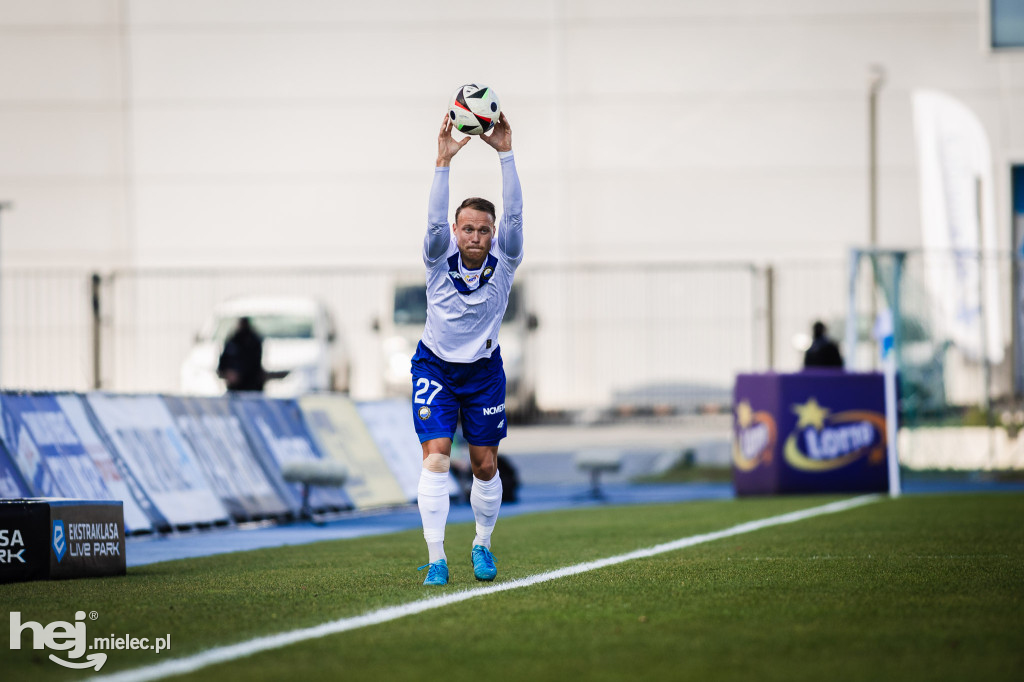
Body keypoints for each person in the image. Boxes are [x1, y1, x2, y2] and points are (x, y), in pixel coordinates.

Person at [413, 111, 523, 586]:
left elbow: (516, 211)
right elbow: (434, 216)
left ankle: (481, 545)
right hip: (435, 366)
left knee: (484, 464)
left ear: (492, 234)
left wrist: (506, 153)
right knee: (436, 456)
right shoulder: (438, 259)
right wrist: (443, 161)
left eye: (483, 230)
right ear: (456, 232)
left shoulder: (507, 258)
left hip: (482, 372)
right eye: (468, 229)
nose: (475, 236)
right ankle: (437, 557)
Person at [217, 317, 266, 391]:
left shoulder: (253, 342)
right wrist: (227, 373)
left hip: (251, 386)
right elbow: (223, 361)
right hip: (233, 388)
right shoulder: (233, 340)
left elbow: (254, 363)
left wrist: (240, 374)